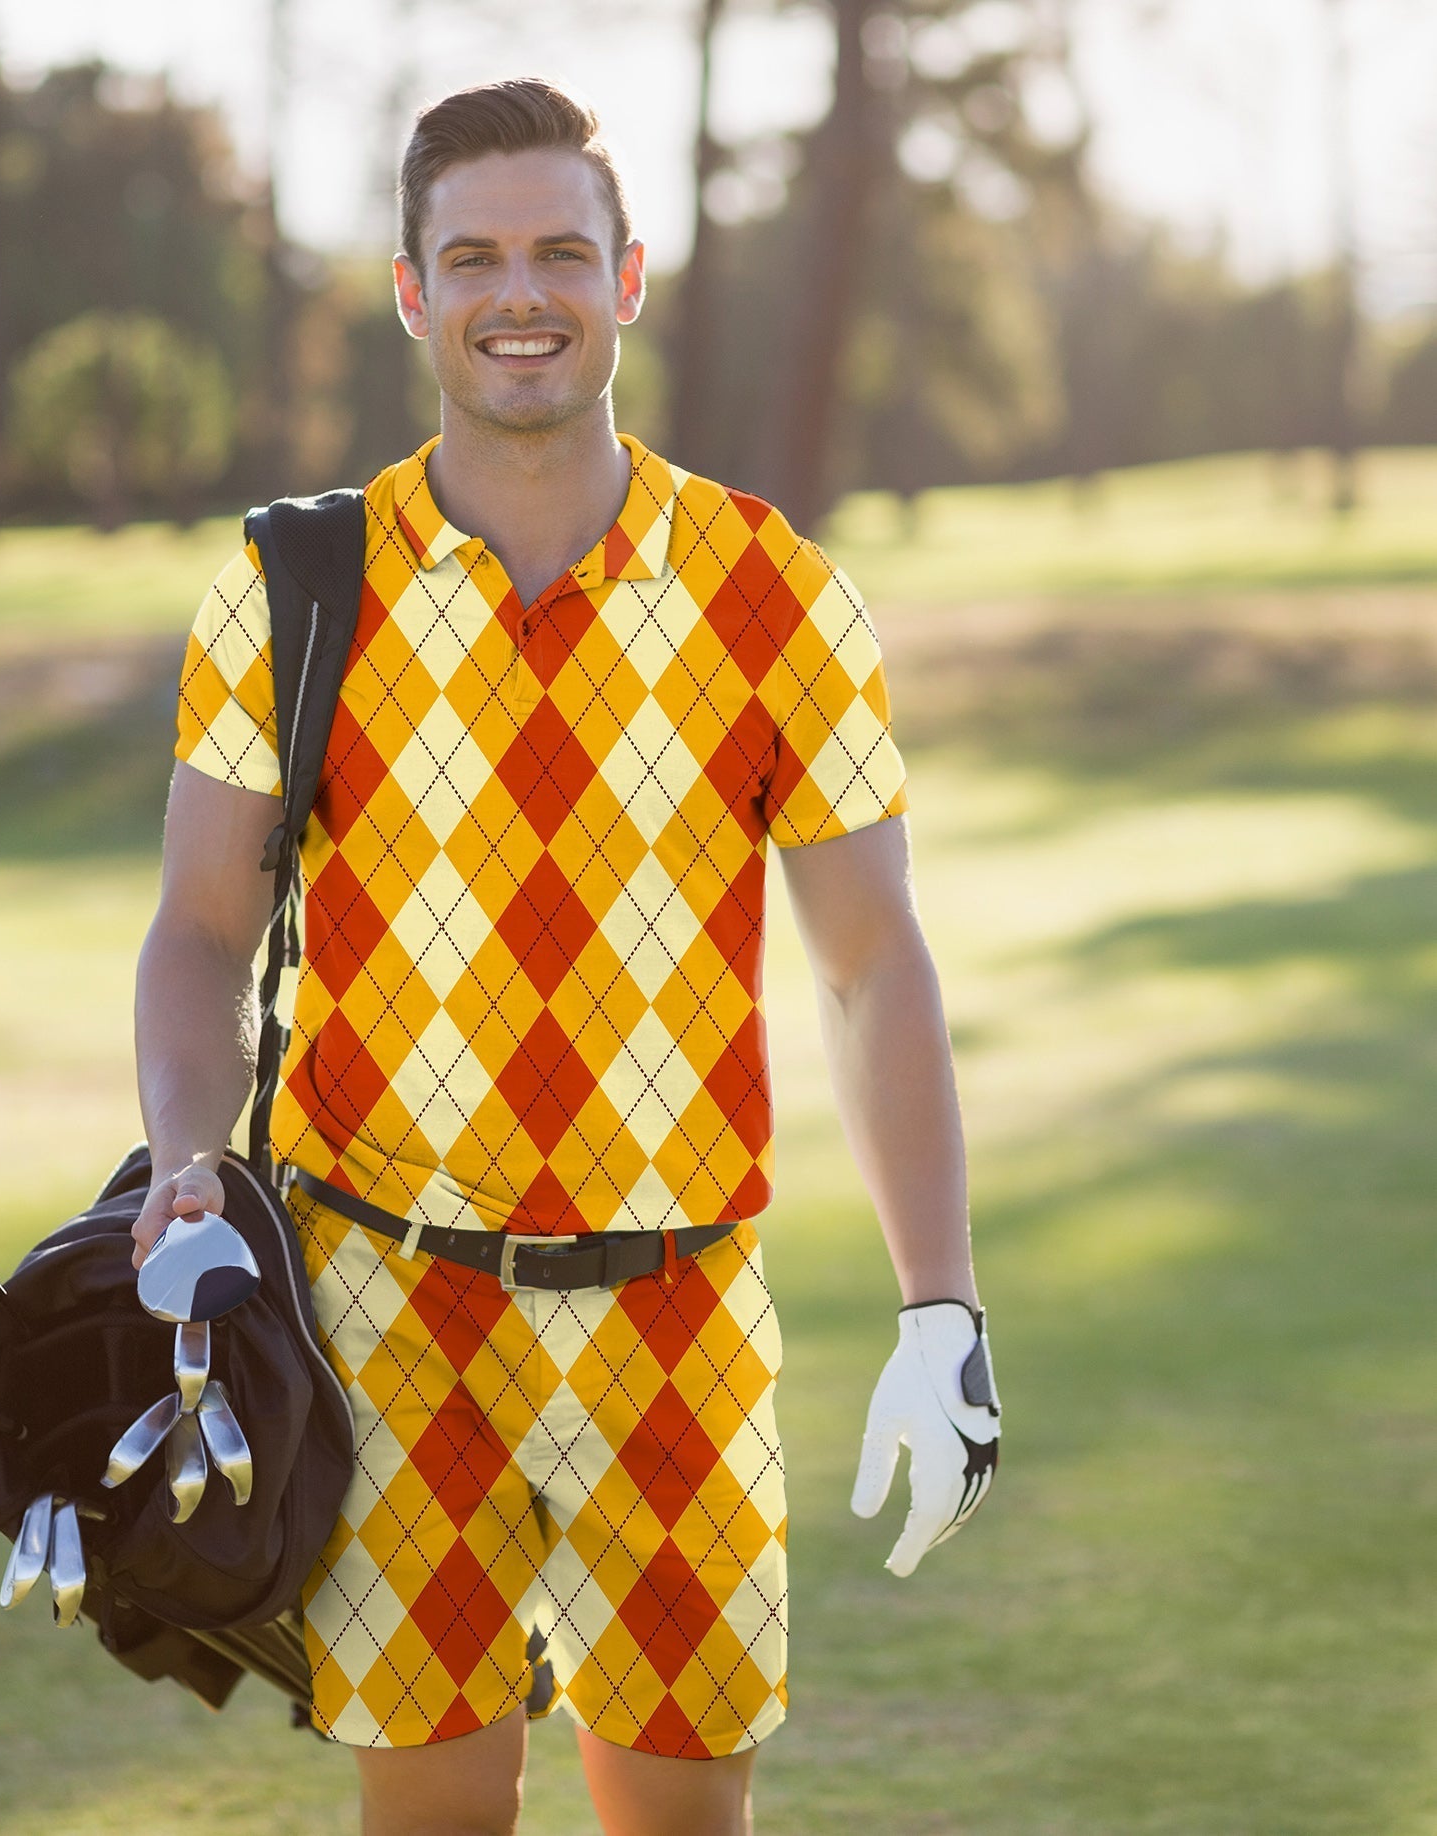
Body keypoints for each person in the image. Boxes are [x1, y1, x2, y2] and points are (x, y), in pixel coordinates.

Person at [132, 77, 996, 1836]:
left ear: (631, 277)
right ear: (410, 291)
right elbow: (202, 928)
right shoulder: (297, 582)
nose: (518, 291)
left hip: (681, 1309)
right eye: (475, 257)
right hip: (382, 1307)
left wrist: (943, 1307)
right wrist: (185, 1164)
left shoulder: (777, 589)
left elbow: (870, 967)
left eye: (558, 252)